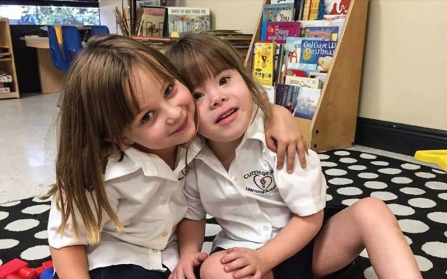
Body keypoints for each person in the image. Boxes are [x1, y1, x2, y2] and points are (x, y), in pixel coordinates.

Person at [47, 35, 307, 279]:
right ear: (119, 136)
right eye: (147, 116)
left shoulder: (193, 133)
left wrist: (278, 114)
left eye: (169, 90)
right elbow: (65, 243)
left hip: (172, 259)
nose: (174, 114)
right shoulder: (100, 173)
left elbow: (244, 103)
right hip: (115, 259)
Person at [165, 33, 422, 279]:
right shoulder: (191, 158)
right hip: (244, 251)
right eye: (198, 95)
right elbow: (192, 215)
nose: (217, 98)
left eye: (223, 80)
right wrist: (188, 254)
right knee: (213, 270)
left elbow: (310, 217)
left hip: (310, 243)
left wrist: (265, 257)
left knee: (372, 211)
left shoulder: (278, 139)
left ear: (244, 78)